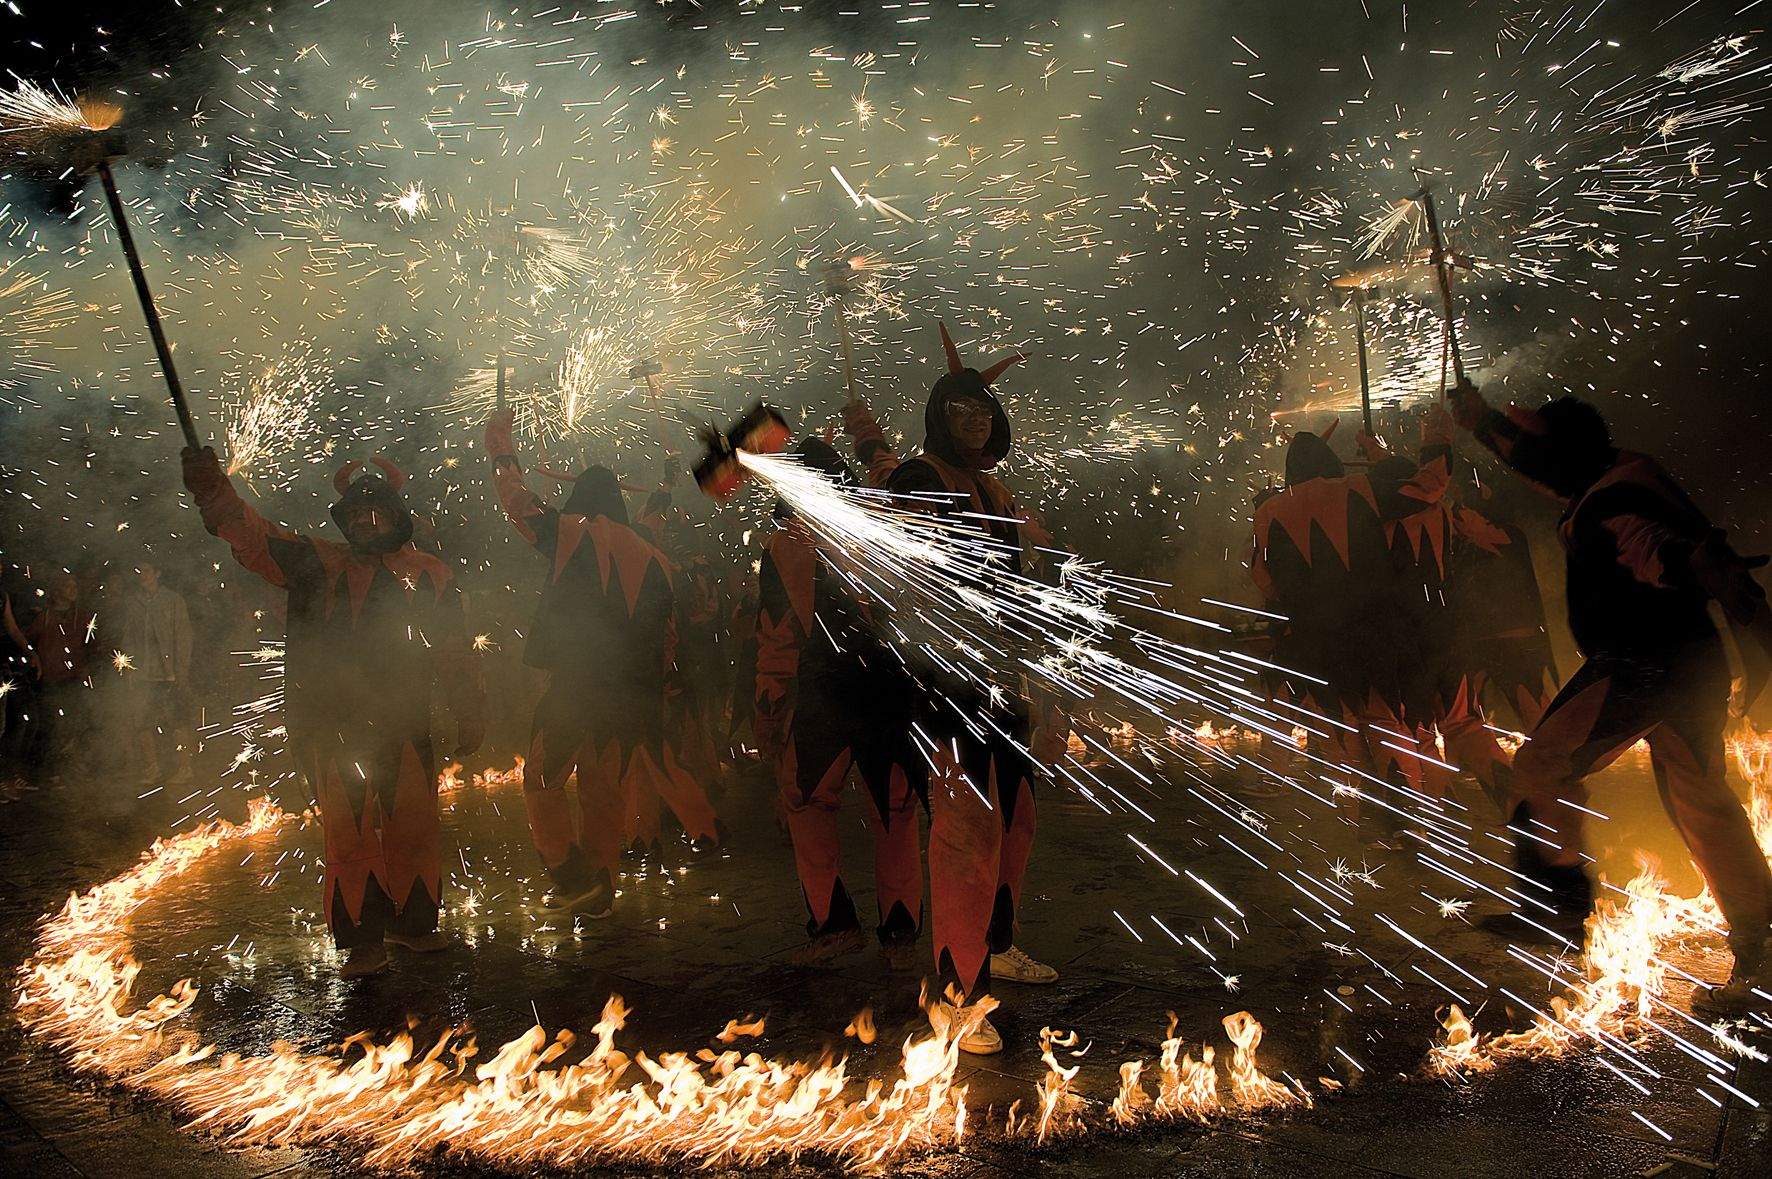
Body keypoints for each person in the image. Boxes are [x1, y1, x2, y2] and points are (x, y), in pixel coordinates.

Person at [1448, 378, 1772, 1013]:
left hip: (1643, 665)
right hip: (1685, 664)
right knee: (1702, 801)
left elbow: (1660, 552)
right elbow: (1544, 465)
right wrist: (1484, 424)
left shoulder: (1615, 498)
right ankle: (1761, 941)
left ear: (1571, 455)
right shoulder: (1615, 472)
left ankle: (1559, 908)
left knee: (1541, 763)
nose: (1539, 469)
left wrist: (1700, 567)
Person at [844, 322, 1065, 1056]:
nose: (976, 416)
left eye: (984, 408)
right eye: (961, 406)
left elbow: (1013, 584)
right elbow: (902, 578)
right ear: (939, 415)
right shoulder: (918, 479)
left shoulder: (990, 485)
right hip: (945, 682)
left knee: (1016, 819)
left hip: (999, 678)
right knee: (967, 835)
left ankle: (995, 951)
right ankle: (955, 999)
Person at [182, 446, 486, 978]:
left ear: (397, 516)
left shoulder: (429, 573)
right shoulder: (319, 561)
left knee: (413, 826)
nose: (369, 523)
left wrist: (468, 708)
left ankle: (412, 924)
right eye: (359, 516)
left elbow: (454, 648)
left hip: (407, 721)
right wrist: (213, 491)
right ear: (344, 522)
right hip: (336, 723)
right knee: (351, 837)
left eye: (379, 514)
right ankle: (362, 940)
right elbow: (254, 537)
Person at [483, 410, 719, 919]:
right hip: (634, 693)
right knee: (602, 792)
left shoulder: (573, 531)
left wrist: (501, 449)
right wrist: (668, 481)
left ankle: (570, 873)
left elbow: (518, 503)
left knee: (542, 779)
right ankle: (600, 889)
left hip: (580, 685)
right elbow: (655, 524)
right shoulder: (652, 552)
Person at [754, 437, 925, 969]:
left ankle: (836, 924)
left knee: (814, 806)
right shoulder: (882, 520)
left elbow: (776, 639)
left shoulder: (787, 544)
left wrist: (769, 708)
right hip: (874, 692)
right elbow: (902, 482)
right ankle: (897, 929)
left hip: (828, 696)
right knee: (891, 809)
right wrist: (873, 441)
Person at [1250, 416, 1454, 840]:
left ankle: (1371, 832)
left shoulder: (1267, 512)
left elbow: (1264, 581)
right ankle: (1406, 823)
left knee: (1350, 732)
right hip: (1374, 632)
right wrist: (1436, 444)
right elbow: (1428, 489)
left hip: (1317, 644)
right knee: (1385, 724)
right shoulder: (1356, 489)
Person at [119, 560, 195, 785]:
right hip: (143, 674)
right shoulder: (134, 603)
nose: (143, 575)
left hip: (169, 673)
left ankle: (185, 767)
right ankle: (152, 768)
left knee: (176, 721)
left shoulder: (172, 601)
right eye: (139, 571)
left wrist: (181, 669)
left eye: (147, 570)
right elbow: (128, 639)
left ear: (158, 573)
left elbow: (183, 636)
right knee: (143, 722)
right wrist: (130, 669)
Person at [23, 571, 96, 784]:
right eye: (68, 586)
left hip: (73, 677)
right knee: (51, 725)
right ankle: (44, 772)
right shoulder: (43, 616)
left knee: (74, 723)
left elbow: (91, 644)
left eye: (75, 586)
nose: (73, 590)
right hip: (50, 678)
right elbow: (28, 641)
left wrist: (86, 666)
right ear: (57, 591)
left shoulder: (81, 617)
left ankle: (67, 768)